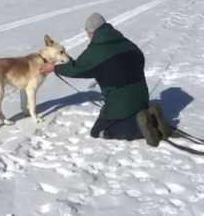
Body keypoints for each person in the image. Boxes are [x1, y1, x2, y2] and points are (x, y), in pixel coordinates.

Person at [39, 12, 172, 147]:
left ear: (90, 32)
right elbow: (140, 60)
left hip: (121, 101)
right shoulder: (126, 42)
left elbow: (78, 68)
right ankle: (149, 117)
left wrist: (54, 69)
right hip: (142, 96)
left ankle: (142, 127)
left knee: (99, 131)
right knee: (116, 110)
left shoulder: (97, 50)